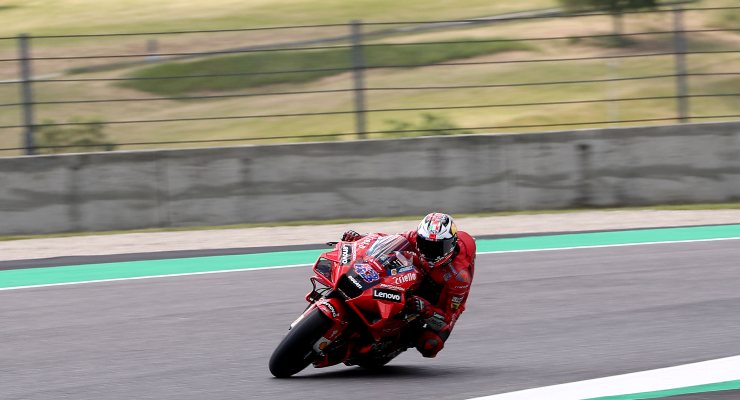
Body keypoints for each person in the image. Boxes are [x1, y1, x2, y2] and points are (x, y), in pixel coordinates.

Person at [341, 212, 476, 358]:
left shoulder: (459, 277)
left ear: (450, 245)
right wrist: (361, 238)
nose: (430, 252)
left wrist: (426, 309)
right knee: (395, 257)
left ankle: (401, 339)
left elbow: (447, 318)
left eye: (437, 248)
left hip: (441, 296)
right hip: (423, 272)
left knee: (431, 345)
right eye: (426, 245)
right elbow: (388, 240)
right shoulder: (416, 237)